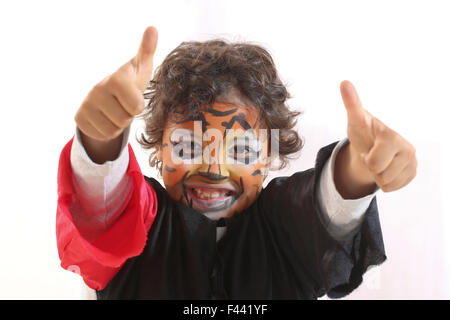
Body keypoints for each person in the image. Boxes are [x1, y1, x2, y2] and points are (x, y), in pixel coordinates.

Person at [56, 26, 417, 299]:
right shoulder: (144, 224)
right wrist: (100, 139)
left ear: (269, 157)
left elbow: (322, 206)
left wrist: (360, 168)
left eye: (241, 152)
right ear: (160, 149)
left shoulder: (285, 229)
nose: (214, 169)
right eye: (189, 147)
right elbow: (105, 204)